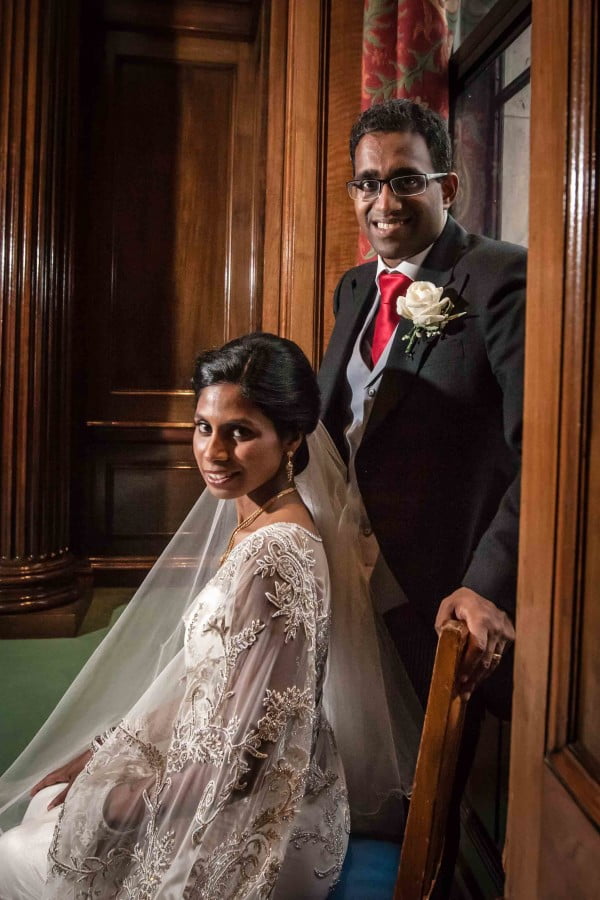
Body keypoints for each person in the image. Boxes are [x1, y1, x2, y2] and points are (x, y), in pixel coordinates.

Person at [0, 333, 418, 899]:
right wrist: (97, 754)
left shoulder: (275, 559)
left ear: (292, 438)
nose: (214, 453)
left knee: (19, 851)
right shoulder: (261, 523)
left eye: (240, 432)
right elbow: (211, 684)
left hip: (258, 818)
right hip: (245, 775)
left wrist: (121, 804)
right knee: (51, 810)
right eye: (204, 427)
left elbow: (252, 752)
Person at [318, 99, 525, 888]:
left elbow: (534, 456)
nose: (384, 201)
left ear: (451, 185)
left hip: (441, 592)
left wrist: (486, 584)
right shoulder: (351, 289)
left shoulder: (501, 278)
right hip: (350, 579)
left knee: (438, 802)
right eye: (367, 183)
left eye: (405, 179)